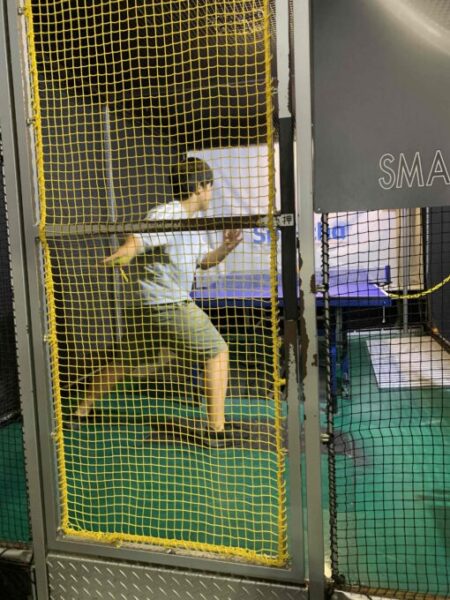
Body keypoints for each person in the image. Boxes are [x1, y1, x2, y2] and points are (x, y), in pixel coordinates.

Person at [70, 157, 242, 446]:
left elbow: (204, 262)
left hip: (143, 308)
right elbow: (138, 239)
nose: (211, 193)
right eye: (210, 187)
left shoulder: (193, 224)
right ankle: (216, 430)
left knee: (125, 360)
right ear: (199, 187)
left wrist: (225, 248)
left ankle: (80, 411)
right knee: (217, 351)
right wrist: (125, 252)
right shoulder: (168, 213)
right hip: (169, 305)